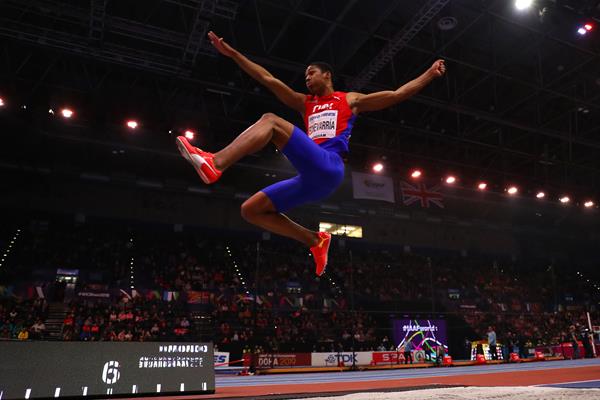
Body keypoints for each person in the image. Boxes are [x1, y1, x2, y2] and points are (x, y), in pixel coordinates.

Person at [176, 31, 446, 275]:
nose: (306, 78)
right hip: (310, 178)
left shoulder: (349, 100)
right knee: (251, 210)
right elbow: (266, 78)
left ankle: (215, 162)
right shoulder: (304, 104)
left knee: (270, 120)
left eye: (311, 73)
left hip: (330, 166)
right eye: (305, 75)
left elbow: (397, 94)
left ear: (327, 75)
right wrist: (233, 54)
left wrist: (429, 74)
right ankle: (315, 240)